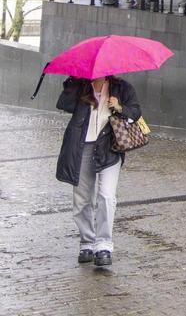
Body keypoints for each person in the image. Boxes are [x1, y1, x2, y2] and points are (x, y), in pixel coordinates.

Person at [55, 74, 142, 268]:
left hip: (110, 147)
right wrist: (72, 81)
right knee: (82, 198)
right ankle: (87, 241)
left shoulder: (121, 87)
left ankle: (103, 245)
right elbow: (63, 104)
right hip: (82, 147)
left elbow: (136, 111)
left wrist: (120, 107)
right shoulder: (81, 86)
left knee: (106, 196)